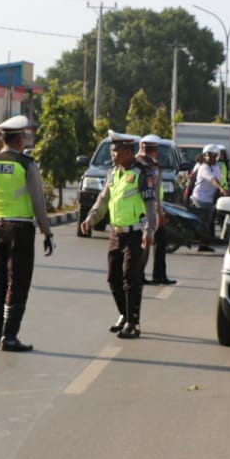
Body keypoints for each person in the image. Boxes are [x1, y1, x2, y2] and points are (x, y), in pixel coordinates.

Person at [0, 115, 55, 352]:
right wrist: (47, 232)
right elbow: (37, 201)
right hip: (20, 229)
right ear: (20, 139)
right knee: (17, 282)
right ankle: (9, 337)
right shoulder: (26, 164)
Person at [81, 131, 158, 338]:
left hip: (135, 234)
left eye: (116, 151)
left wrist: (149, 230)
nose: (113, 155)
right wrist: (91, 218)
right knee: (113, 278)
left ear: (128, 151)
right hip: (116, 233)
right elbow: (103, 199)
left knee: (130, 278)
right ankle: (124, 315)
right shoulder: (113, 173)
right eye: (112, 151)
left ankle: (134, 323)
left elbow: (151, 205)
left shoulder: (143, 174)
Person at [137, 134, 175, 285]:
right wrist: (159, 214)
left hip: (147, 210)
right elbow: (153, 194)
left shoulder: (141, 164)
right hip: (148, 212)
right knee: (147, 243)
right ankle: (143, 275)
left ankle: (159, 275)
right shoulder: (149, 167)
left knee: (158, 242)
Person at [187, 144, 226, 252]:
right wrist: (221, 188)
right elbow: (213, 180)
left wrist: (224, 190)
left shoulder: (217, 167)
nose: (210, 158)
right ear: (204, 156)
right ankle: (200, 242)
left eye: (212, 155)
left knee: (208, 222)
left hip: (210, 199)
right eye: (208, 155)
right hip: (200, 198)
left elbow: (220, 180)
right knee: (203, 223)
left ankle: (203, 244)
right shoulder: (203, 167)